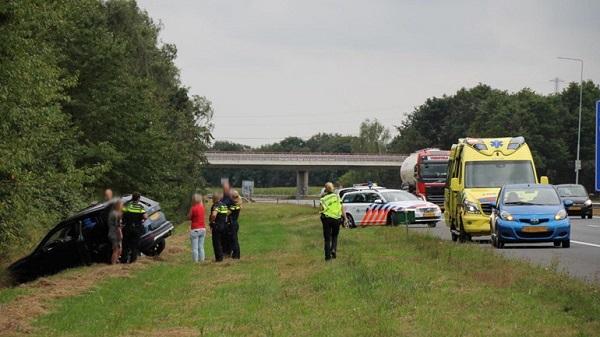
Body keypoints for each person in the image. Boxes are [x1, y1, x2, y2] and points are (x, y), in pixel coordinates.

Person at [319, 182, 346, 261]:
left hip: (327, 219)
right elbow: (341, 207)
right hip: (337, 219)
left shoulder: (323, 199)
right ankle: (333, 249)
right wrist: (345, 218)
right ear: (333, 188)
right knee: (335, 236)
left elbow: (321, 209)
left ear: (325, 189)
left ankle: (327, 257)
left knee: (327, 239)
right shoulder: (337, 197)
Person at [122, 192, 147, 263]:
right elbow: (145, 217)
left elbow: (121, 215)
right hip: (136, 228)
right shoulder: (140, 206)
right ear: (138, 198)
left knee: (125, 245)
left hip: (127, 228)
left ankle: (123, 261)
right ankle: (132, 262)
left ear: (132, 197)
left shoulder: (127, 205)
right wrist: (142, 220)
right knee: (134, 246)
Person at [209, 192, 229, 262]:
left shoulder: (216, 205)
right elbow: (226, 215)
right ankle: (222, 256)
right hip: (224, 226)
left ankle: (219, 258)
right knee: (222, 242)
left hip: (217, 226)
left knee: (216, 242)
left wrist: (212, 221)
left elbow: (214, 215)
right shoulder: (224, 205)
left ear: (214, 198)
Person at [188, 193, 206, 262]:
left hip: (195, 229)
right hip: (203, 228)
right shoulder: (202, 207)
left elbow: (189, 217)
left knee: (195, 247)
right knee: (201, 247)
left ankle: (195, 261)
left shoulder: (193, 208)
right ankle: (202, 260)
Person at [107, 200, 123, 264]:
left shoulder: (111, 213)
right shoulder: (116, 214)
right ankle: (113, 264)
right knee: (115, 250)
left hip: (111, 232)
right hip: (115, 234)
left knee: (118, 248)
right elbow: (117, 226)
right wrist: (120, 234)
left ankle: (116, 260)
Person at [220, 182, 234, 257]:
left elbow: (234, 208)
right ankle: (224, 251)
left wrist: (229, 212)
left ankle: (229, 252)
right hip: (222, 221)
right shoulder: (222, 199)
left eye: (226, 189)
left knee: (229, 237)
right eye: (224, 189)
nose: (225, 190)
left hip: (229, 221)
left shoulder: (231, 199)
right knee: (223, 237)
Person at [229, 190, 242, 259]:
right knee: (234, 239)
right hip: (235, 223)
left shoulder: (234, 206)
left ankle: (236, 255)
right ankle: (235, 254)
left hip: (233, 223)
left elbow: (227, 212)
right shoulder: (238, 204)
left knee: (234, 240)